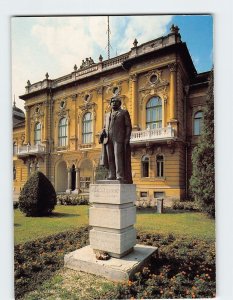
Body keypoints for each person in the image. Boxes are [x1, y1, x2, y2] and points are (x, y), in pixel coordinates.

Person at [99, 97, 133, 184]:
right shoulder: (107, 115)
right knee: (110, 157)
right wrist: (102, 131)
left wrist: (127, 138)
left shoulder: (124, 112)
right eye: (112, 101)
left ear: (120, 103)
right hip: (108, 138)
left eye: (116, 101)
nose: (114, 103)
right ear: (110, 104)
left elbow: (128, 126)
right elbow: (104, 126)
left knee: (118, 156)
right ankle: (112, 174)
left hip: (119, 138)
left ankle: (120, 175)